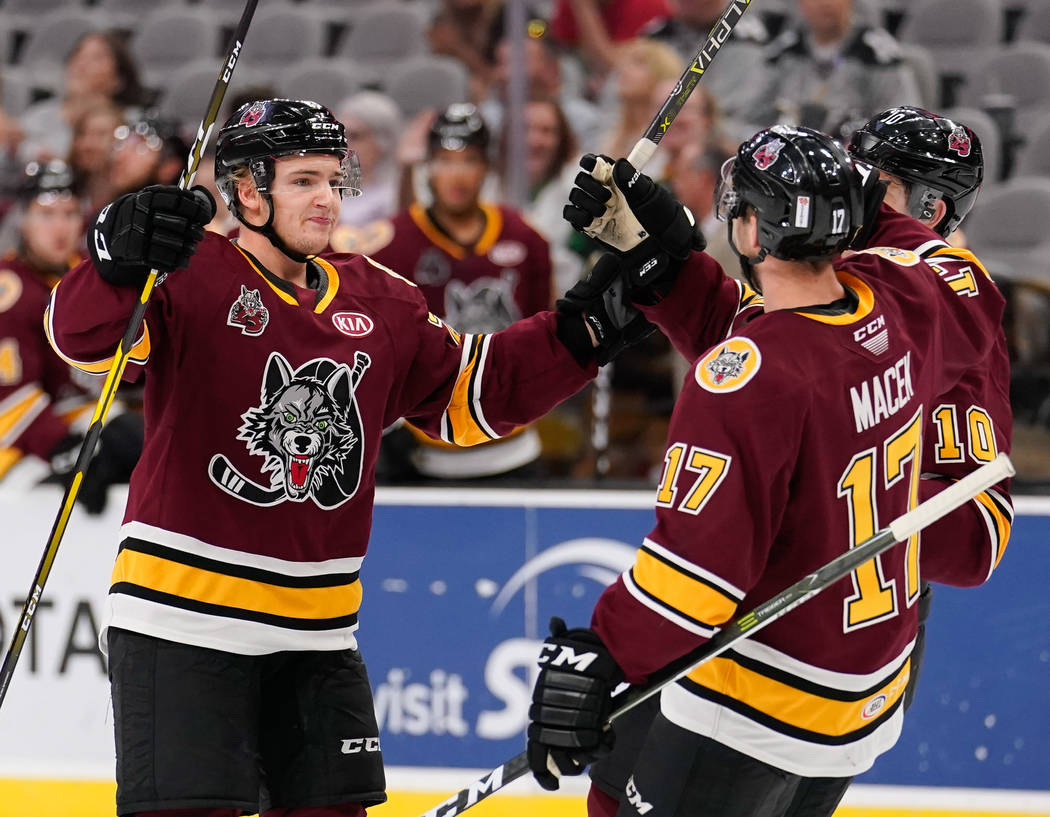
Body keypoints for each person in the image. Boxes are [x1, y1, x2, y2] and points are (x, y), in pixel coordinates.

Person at [43, 97, 644, 817]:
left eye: (334, 178)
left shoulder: (383, 299)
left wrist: (582, 334)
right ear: (245, 190)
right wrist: (112, 261)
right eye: (303, 180)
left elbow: (471, 395)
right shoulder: (189, 271)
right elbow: (81, 340)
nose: (327, 198)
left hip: (318, 639)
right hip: (183, 627)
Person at [525, 127, 1008, 816]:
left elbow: (698, 575)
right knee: (617, 772)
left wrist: (604, 649)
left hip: (756, 690)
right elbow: (821, 339)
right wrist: (667, 265)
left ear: (751, 229)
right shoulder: (913, 306)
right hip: (859, 683)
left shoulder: (742, 377)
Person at [338, 104, 554, 480]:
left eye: (468, 160)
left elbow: (543, 341)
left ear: (487, 165)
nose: (455, 174)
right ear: (428, 166)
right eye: (443, 160)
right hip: (425, 456)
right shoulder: (389, 243)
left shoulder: (526, 238)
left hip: (514, 453)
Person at [0, 160, 138, 506]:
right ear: (23, 221)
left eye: (70, 212)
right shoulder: (10, 289)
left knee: (139, 444)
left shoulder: (86, 275)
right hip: (15, 444)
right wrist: (64, 448)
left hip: (77, 417)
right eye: (46, 214)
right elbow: (7, 397)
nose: (60, 227)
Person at [744, 0, 922, 137]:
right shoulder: (782, 53)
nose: (825, 3)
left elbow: (904, 121)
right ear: (800, 4)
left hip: (858, 159)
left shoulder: (878, 56)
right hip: (791, 155)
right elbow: (747, 116)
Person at [19, 30, 149, 163]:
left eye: (96, 58)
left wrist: (59, 165)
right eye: (77, 54)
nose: (81, 64)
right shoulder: (37, 116)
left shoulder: (133, 124)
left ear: (118, 80)